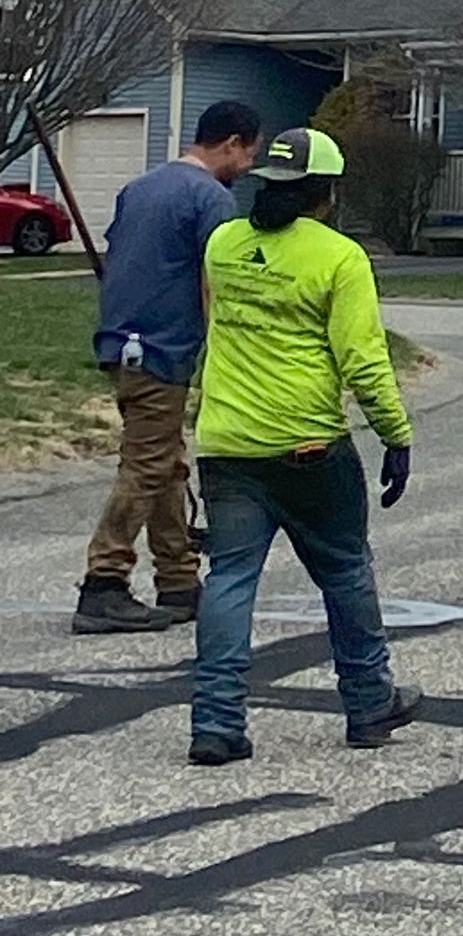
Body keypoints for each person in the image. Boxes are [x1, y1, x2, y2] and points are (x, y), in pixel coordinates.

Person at [190, 127, 418, 767]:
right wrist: (396, 437)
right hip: (307, 444)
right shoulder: (339, 258)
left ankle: (215, 722)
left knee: (231, 578)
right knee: (345, 571)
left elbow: (214, 324)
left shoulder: (224, 243)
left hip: (227, 442)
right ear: (327, 191)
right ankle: (370, 704)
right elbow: (364, 362)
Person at [74, 99, 265, 636]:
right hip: (163, 348)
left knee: (164, 462)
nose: (246, 166)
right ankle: (103, 582)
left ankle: (179, 580)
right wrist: (227, 352)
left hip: (120, 342)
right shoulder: (211, 200)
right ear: (231, 143)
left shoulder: (141, 188)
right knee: (147, 465)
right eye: (247, 154)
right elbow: (216, 284)